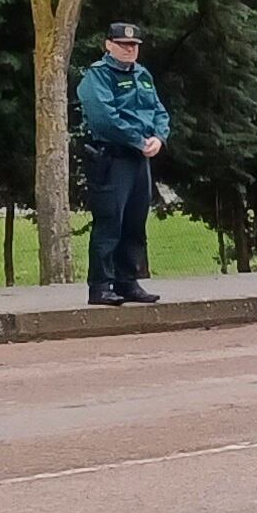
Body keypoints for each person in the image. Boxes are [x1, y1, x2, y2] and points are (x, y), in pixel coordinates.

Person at [77, 21, 170, 306]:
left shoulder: (143, 75)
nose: (129, 50)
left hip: (139, 159)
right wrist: (138, 140)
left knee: (134, 222)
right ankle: (101, 286)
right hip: (112, 156)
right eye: (123, 45)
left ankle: (127, 281)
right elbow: (104, 118)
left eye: (133, 46)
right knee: (109, 222)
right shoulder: (98, 76)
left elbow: (158, 110)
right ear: (109, 45)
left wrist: (159, 137)